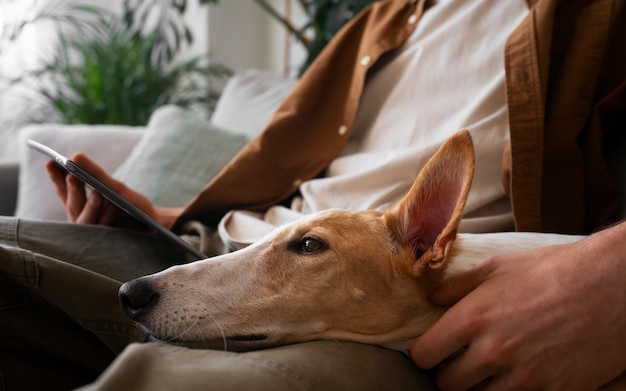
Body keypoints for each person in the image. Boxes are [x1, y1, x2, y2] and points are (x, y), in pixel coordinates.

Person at [1, 0, 624, 390]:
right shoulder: (390, 16)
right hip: (222, 243)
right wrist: (159, 216)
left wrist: (612, 275)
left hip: (379, 310)